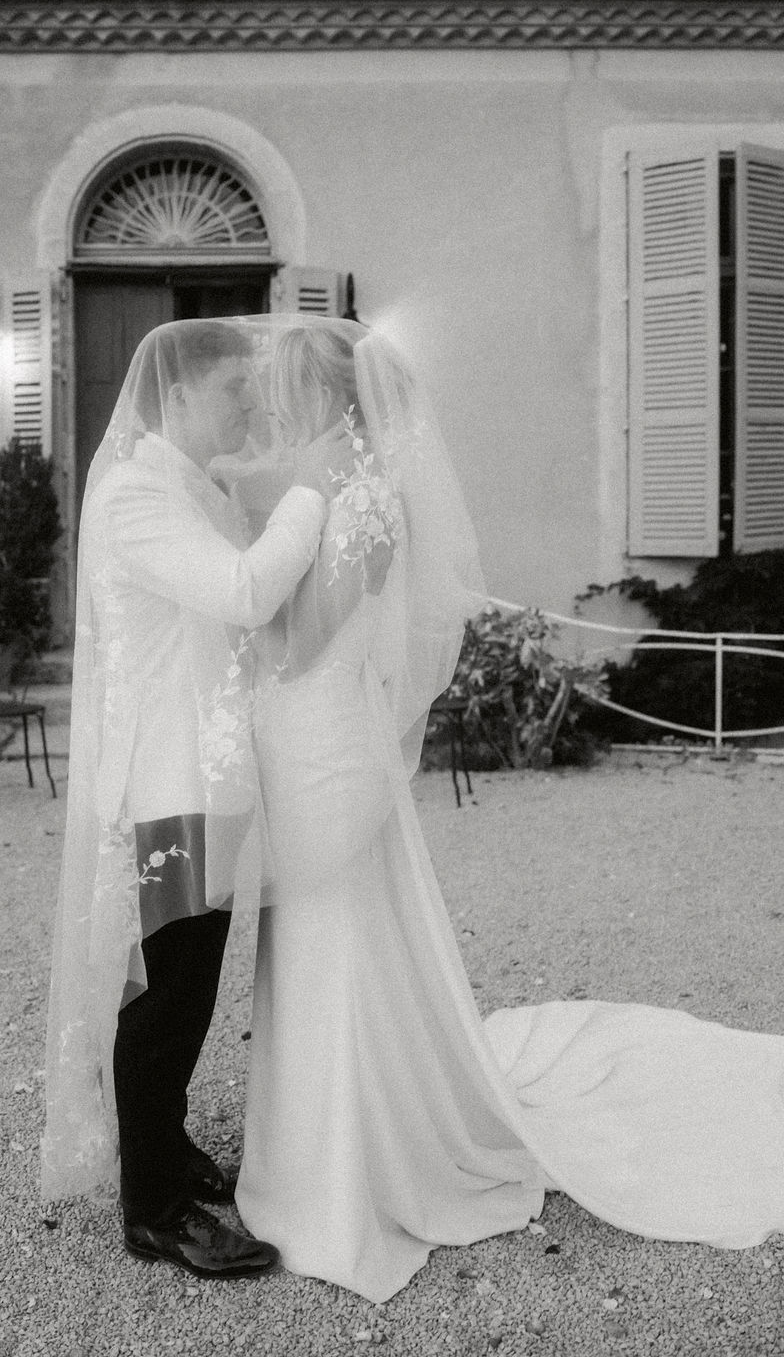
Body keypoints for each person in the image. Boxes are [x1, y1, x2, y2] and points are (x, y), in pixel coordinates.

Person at [231, 314, 784, 1304]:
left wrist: (248, 586)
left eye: (282, 391)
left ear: (319, 397)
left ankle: (352, 1158)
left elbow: (298, 641)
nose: (271, 407)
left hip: (321, 742)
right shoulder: (338, 489)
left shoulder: (355, 498)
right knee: (314, 938)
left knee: (332, 937)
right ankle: (325, 1134)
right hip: (308, 740)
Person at [41, 317, 354, 1279]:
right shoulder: (137, 495)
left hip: (210, 773)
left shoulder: (198, 486)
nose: (253, 407)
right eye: (234, 393)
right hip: (164, 783)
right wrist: (312, 487)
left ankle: (168, 1147)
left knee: (196, 981)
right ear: (177, 398)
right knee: (165, 994)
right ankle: (155, 1209)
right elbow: (243, 590)